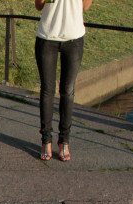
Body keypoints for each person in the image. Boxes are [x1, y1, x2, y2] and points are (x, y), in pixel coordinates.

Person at [34, 0, 93, 161]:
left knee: (68, 91)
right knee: (47, 90)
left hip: (74, 38)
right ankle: (46, 140)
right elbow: (38, 5)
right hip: (47, 37)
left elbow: (86, 6)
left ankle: (64, 141)